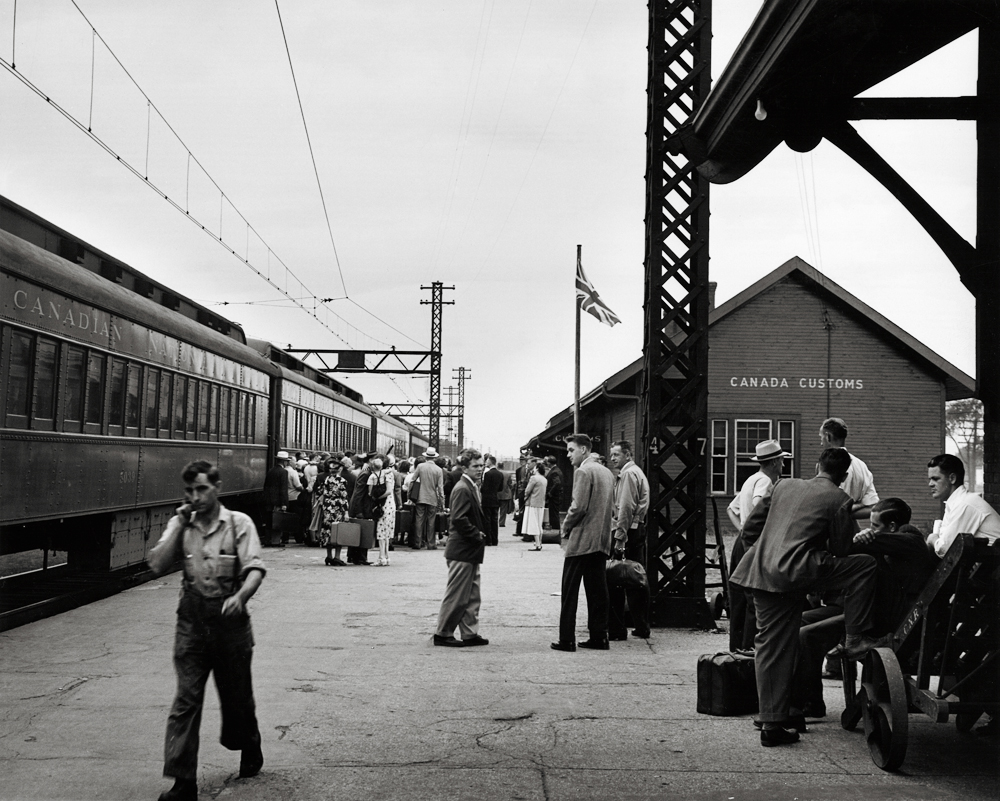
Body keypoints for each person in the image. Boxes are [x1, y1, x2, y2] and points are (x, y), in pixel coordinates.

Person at [730, 448, 880, 747]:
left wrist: (765, 553)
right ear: (845, 476)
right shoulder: (840, 499)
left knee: (771, 645)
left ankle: (771, 717)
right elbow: (841, 549)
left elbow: (749, 529)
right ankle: (854, 636)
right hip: (792, 573)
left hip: (759, 572)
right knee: (865, 565)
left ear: (817, 466)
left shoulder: (784, 484)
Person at [148, 461, 266, 801]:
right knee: (186, 701)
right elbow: (157, 564)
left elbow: (255, 568)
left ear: (217, 487)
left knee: (237, 699)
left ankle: (250, 744)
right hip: (192, 623)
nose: (195, 497)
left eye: (201, 489)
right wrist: (179, 524)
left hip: (230, 623)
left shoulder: (238, 524)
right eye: (189, 491)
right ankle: (183, 782)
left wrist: (241, 596)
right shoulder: (182, 524)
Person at [793, 497, 935, 718]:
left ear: (892, 528)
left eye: (875, 526)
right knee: (800, 621)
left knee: (807, 635)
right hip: (862, 612)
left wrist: (863, 539)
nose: (870, 530)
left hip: (879, 622)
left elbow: (854, 546)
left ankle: (810, 703)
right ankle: (803, 698)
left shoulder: (911, 540)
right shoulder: (887, 546)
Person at [551, 434, 615, 652]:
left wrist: (565, 526)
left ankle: (566, 639)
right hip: (601, 539)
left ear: (584, 450)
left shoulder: (583, 471)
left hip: (582, 539)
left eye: (571, 450)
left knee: (569, 590)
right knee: (598, 590)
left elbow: (578, 507)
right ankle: (600, 636)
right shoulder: (606, 472)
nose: (568, 455)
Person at [726, 439, 788, 652]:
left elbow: (731, 509)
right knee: (754, 599)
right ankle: (749, 649)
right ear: (774, 462)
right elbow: (758, 506)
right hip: (754, 543)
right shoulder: (765, 483)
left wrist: (742, 529)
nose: (783, 465)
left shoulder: (750, 480)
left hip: (742, 541)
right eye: (781, 461)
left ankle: (736, 648)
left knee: (739, 600)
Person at [434, 448, 490, 648]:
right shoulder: (462, 488)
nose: (479, 469)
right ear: (465, 467)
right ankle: (443, 633)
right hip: (462, 549)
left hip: (469, 550)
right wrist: (476, 534)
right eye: (475, 466)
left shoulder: (470, 486)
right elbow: (458, 518)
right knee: (457, 595)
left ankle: (469, 633)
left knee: (472, 595)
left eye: (481, 465)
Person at [608, 440, 651, 641]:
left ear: (627, 455)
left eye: (616, 454)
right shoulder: (637, 472)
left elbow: (625, 508)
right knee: (636, 579)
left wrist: (619, 538)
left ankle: (617, 628)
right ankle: (641, 625)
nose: (612, 458)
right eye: (611, 454)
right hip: (637, 529)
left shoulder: (627, 474)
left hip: (629, 531)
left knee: (618, 579)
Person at [926, 453, 1000, 557]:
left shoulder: (965, 504)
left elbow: (946, 549)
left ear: (952, 478)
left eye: (935, 479)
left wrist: (932, 539)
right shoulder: (955, 503)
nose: (930, 484)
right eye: (930, 479)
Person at [819, 417, 879, 520]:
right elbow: (872, 507)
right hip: (851, 530)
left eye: (821, 437)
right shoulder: (861, 465)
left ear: (828, 437)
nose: (821, 443)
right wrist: (858, 506)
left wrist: (844, 510)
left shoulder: (827, 466)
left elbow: (831, 508)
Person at [413, 448, 446, 549]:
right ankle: (431, 544)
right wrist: (442, 501)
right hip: (432, 498)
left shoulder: (420, 466)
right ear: (435, 457)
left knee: (419, 520)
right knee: (431, 521)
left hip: (420, 497)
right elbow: (440, 488)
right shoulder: (438, 470)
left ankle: (418, 543)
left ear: (426, 456)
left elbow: (413, 480)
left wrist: (410, 494)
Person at [320, 458, 350, 566]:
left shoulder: (326, 480)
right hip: (338, 508)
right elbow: (344, 498)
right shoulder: (341, 481)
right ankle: (337, 557)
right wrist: (346, 512)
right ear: (339, 469)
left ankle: (329, 556)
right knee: (338, 532)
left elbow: (321, 492)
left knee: (328, 531)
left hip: (327, 507)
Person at [368, 454, 396, 566]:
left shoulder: (384, 475)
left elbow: (388, 491)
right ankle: (386, 556)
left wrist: (377, 498)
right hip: (390, 504)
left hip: (385, 504)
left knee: (381, 531)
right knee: (387, 532)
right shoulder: (389, 473)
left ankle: (381, 557)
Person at [347, 454, 374, 565]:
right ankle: (360, 558)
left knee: (358, 531)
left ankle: (353, 556)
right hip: (362, 507)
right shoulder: (366, 474)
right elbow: (359, 493)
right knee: (362, 531)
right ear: (370, 461)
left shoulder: (365, 472)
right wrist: (358, 510)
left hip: (361, 506)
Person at [480, 454, 505, 546]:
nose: (486, 462)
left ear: (490, 462)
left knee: (487, 520)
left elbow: (484, 488)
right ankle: (495, 540)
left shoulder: (487, 474)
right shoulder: (500, 474)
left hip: (487, 499)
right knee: (495, 520)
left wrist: (481, 488)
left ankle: (488, 540)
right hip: (495, 499)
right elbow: (500, 488)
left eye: (487, 461)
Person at [523, 461, 548, 550]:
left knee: (533, 524)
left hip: (532, 503)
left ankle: (537, 544)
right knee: (539, 524)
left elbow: (527, 490)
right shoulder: (544, 479)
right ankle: (539, 542)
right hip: (541, 503)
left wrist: (525, 496)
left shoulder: (534, 478)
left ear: (537, 468)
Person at [543, 455, 563, 531]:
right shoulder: (556, 470)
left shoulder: (554, 472)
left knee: (553, 515)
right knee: (554, 514)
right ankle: (555, 530)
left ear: (549, 463)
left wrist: (549, 493)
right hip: (556, 496)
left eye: (547, 462)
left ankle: (555, 531)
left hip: (554, 497)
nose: (546, 463)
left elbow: (557, 483)